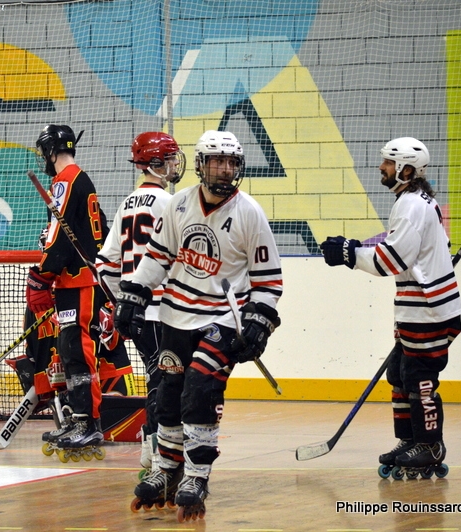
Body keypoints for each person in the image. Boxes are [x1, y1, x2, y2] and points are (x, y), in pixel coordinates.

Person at [115, 130, 282, 520]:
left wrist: (259, 323)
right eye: (217, 161)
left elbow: (269, 280)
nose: (225, 169)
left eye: (232, 163)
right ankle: (166, 469)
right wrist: (134, 292)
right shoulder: (177, 205)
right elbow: (157, 258)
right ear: (202, 164)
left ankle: (197, 474)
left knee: (200, 388)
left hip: (223, 319)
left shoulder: (249, 213)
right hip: (176, 314)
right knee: (168, 395)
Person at [319, 137, 461, 472]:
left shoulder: (411, 205)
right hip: (419, 309)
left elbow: (392, 261)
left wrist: (348, 253)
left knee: (418, 377)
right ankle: (411, 440)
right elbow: (434, 245)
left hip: (430, 312)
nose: (381, 167)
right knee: (400, 374)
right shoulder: (417, 200)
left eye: (387, 162)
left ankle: (430, 445)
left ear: (406, 169)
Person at [96, 131, 186, 471]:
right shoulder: (171, 203)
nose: (176, 164)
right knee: (168, 381)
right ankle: (158, 449)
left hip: (138, 313)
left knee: (158, 377)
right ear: (156, 164)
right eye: (170, 158)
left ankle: (152, 450)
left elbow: (104, 264)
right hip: (165, 310)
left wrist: (122, 301)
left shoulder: (126, 203)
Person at [25, 124, 106, 455]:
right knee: (70, 349)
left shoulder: (65, 181)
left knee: (79, 349)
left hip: (80, 280)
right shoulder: (79, 179)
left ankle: (89, 422)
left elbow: (59, 238)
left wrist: (42, 274)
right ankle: (80, 416)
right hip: (75, 279)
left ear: (49, 151)